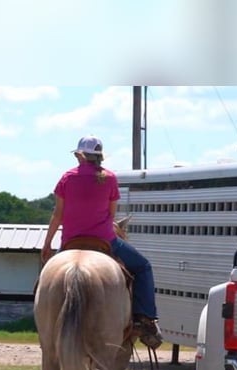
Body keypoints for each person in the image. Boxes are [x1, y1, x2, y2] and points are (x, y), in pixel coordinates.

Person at [41, 135, 163, 349]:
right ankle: (145, 319)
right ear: (99, 157)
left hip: (71, 242)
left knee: (48, 279)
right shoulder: (110, 178)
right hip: (105, 241)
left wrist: (47, 243)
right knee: (143, 267)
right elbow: (111, 214)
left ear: (80, 156)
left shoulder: (67, 178)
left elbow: (57, 214)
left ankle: (44, 321)